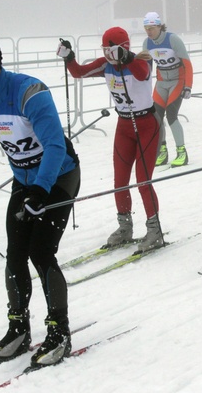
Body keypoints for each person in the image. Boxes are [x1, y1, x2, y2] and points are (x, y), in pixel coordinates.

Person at [0, 35, 80, 368]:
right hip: (24, 182)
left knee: (40, 251)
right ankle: (19, 327)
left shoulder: (29, 92)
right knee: (15, 254)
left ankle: (59, 332)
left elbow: (53, 145)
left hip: (58, 176)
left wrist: (41, 190)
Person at [59, 27, 165, 252]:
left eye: (112, 50)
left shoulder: (142, 61)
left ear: (124, 47)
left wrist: (125, 58)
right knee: (119, 181)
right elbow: (79, 72)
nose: (107, 54)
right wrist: (69, 57)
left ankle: (154, 230)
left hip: (147, 124)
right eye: (105, 50)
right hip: (124, 125)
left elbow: (142, 74)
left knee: (143, 180)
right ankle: (125, 227)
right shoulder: (105, 64)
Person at [141, 11, 193, 168]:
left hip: (177, 81)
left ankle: (182, 152)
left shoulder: (172, 39)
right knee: (155, 118)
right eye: (146, 28)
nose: (149, 32)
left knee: (171, 116)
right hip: (162, 82)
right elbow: (146, 68)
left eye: (151, 28)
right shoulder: (147, 43)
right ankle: (162, 151)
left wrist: (188, 86)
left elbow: (187, 63)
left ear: (159, 26)